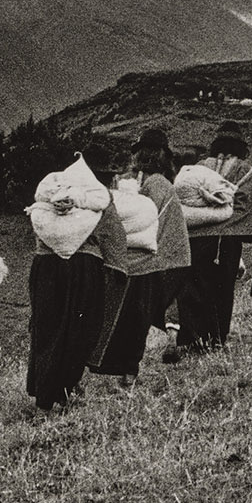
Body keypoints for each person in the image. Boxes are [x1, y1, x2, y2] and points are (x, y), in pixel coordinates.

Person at [26, 144, 128, 411]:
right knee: (81, 330)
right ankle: (66, 390)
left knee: (46, 329)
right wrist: (118, 270)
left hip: (45, 267)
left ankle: (43, 401)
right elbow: (113, 237)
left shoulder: (49, 195)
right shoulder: (100, 198)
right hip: (84, 267)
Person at [89, 128, 192, 385]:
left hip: (159, 259)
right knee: (149, 312)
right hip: (173, 257)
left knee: (136, 314)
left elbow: (145, 221)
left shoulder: (153, 184)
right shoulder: (162, 182)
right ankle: (163, 347)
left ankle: (127, 370)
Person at [175, 124, 252, 352]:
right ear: (241, 147)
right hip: (228, 242)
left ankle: (191, 339)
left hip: (195, 236)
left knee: (193, 285)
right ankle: (216, 339)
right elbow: (250, 205)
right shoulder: (246, 171)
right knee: (223, 288)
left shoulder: (199, 166)